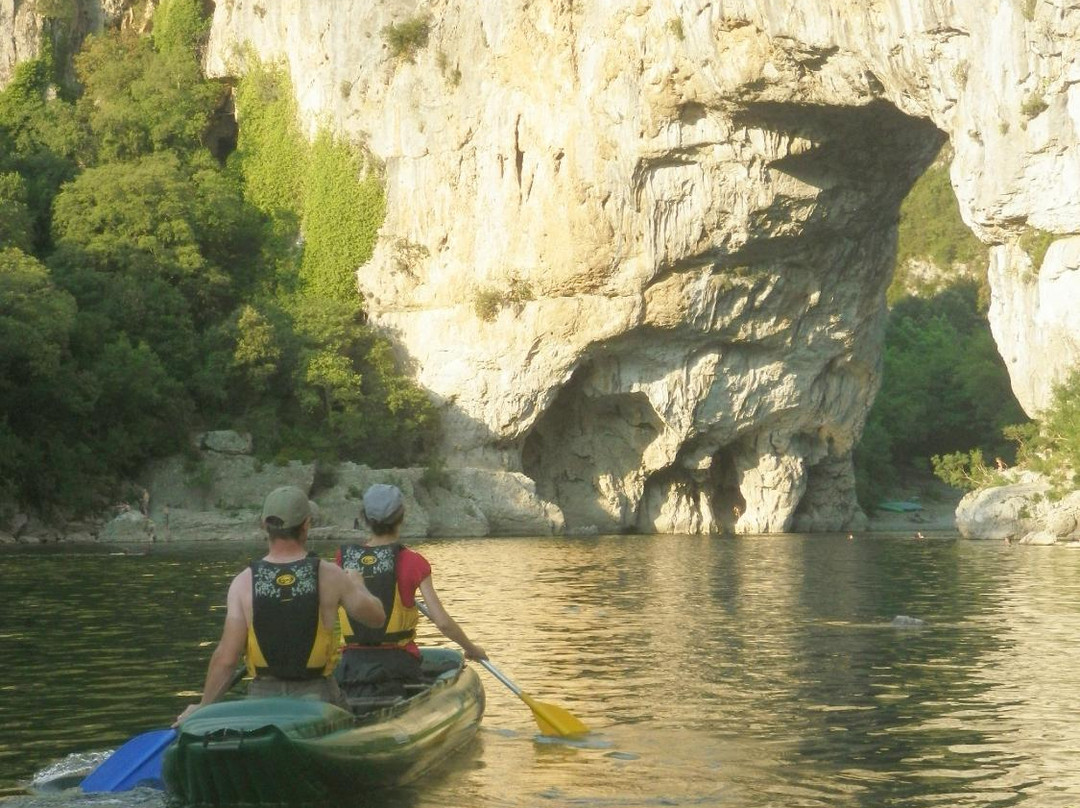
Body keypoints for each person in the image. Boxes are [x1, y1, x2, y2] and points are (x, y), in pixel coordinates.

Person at [175, 486, 385, 724]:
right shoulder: (331, 576)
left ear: (264, 525)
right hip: (318, 699)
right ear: (306, 525)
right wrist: (358, 584)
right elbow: (376, 618)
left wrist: (203, 707)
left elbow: (227, 659)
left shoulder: (243, 583)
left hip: (261, 701)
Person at [334, 483, 486, 700]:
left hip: (351, 666)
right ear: (402, 517)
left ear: (364, 517)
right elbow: (442, 622)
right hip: (398, 667)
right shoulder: (414, 562)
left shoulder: (343, 559)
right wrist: (472, 648)